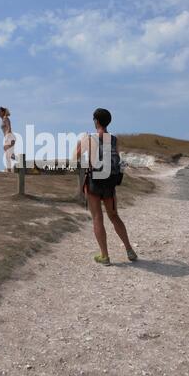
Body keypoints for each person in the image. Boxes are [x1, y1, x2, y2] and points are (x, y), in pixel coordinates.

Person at [73, 108, 137, 266]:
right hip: (110, 183)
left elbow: (75, 157)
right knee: (114, 216)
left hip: (94, 182)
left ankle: (105, 256)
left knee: (97, 218)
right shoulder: (114, 139)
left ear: (96, 121)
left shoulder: (90, 139)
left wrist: (79, 143)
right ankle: (129, 249)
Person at [0, 107, 16, 172]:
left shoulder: (5, 118)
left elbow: (9, 128)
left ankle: (10, 169)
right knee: (8, 155)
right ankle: (9, 169)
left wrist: (7, 138)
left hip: (9, 136)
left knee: (8, 155)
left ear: (3, 112)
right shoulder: (3, 119)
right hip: (8, 137)